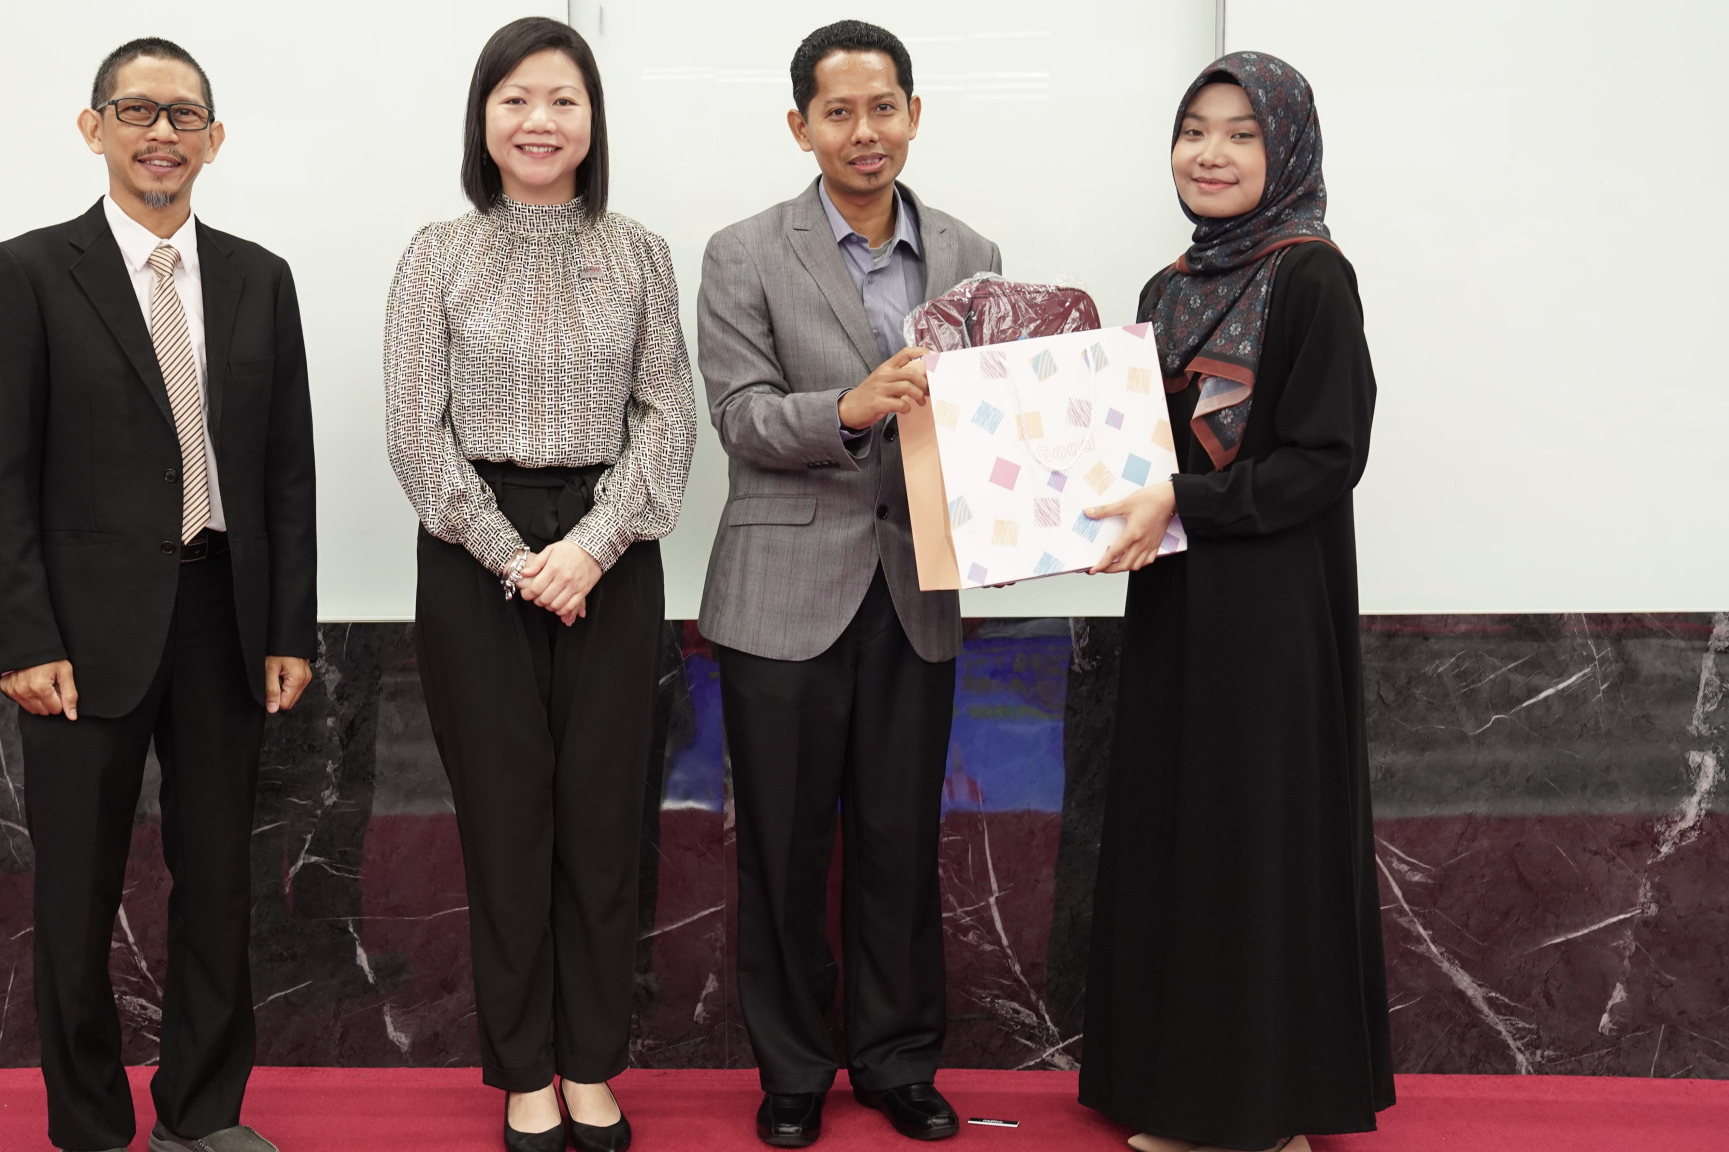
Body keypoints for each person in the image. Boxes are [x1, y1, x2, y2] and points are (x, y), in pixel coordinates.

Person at [0, 37, 316, 1152]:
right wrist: (24, 636)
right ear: (94, 128)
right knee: (77, 892)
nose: (162, 133)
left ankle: (202, 1113)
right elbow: (1, 476)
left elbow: (286, 472)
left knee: (219, 884)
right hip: (80, 633)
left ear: (215, 139)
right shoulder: (28, 273)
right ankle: (89, 1126)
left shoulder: (259, 278)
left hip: (224, 619)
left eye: (184, 115)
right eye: (137, 111)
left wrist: (288, 627)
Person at [384, 16, 696, 1152]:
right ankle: (524, 1071)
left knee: (602, 824)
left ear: (592, 120)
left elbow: (669, 419)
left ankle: (592, 1063)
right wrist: (514, 555)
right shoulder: (436, 253)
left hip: (608, 553)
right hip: (477, 561)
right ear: (483, 119)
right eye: (515, 98)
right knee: (507, 823)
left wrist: (592, 546)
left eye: (563, 99)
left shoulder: (640, 252)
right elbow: (414, 434)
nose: (539, 121)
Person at [1075, 52, 1394, 1152]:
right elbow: (1138, 453)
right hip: (1175, 601)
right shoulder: (1165, 290)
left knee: (1252, 843)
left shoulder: (1312, 278)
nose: (1209, 154)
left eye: (1241, 134)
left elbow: (1324, 458)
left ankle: (1264, 1114)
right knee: (1181, 836)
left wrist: (1185, 498)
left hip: (1268, 614)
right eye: (1194, 130)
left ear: (1286, 149)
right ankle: (1180, 1097)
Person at [696, 19, 1001, 1148]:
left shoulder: (973, 251)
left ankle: (896, 1062)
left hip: (917, 587)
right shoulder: (742, 251)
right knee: (780, 851)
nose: (864, 131)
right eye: (839, 112)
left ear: (913, 114)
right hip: (781, 588)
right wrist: (850, 408)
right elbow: (738, 416)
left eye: (882, 108)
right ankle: (791, 1071)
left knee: (899, 845)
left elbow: (990, 424)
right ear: (801, 126)